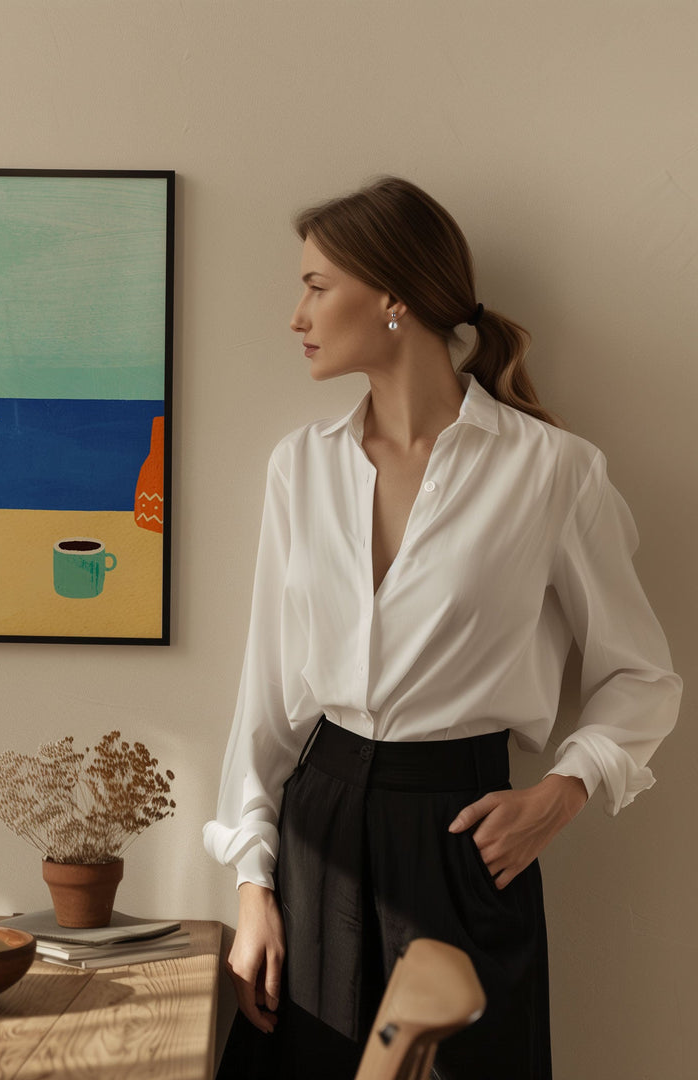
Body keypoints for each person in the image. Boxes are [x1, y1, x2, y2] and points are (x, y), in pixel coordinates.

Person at [202, 176, 682, 1080]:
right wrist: (253, 885)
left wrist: (565, 792)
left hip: (466, 845)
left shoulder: (551, 472)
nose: (295, 313)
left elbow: (642, 677)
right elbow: (265, 702)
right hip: (318, 835)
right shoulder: (298, 470)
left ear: (393, 298)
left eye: (315, 284)